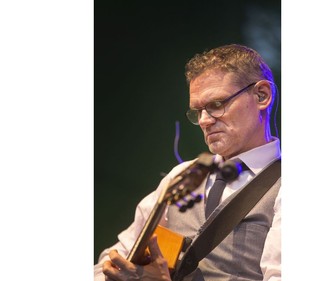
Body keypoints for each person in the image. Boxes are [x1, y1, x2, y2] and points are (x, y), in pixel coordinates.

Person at [94, 44, 281, 281]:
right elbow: (115, 257)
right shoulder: (182, 175)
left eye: (216, 105)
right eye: (198, 111)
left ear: (262, 95)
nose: (204, 121)